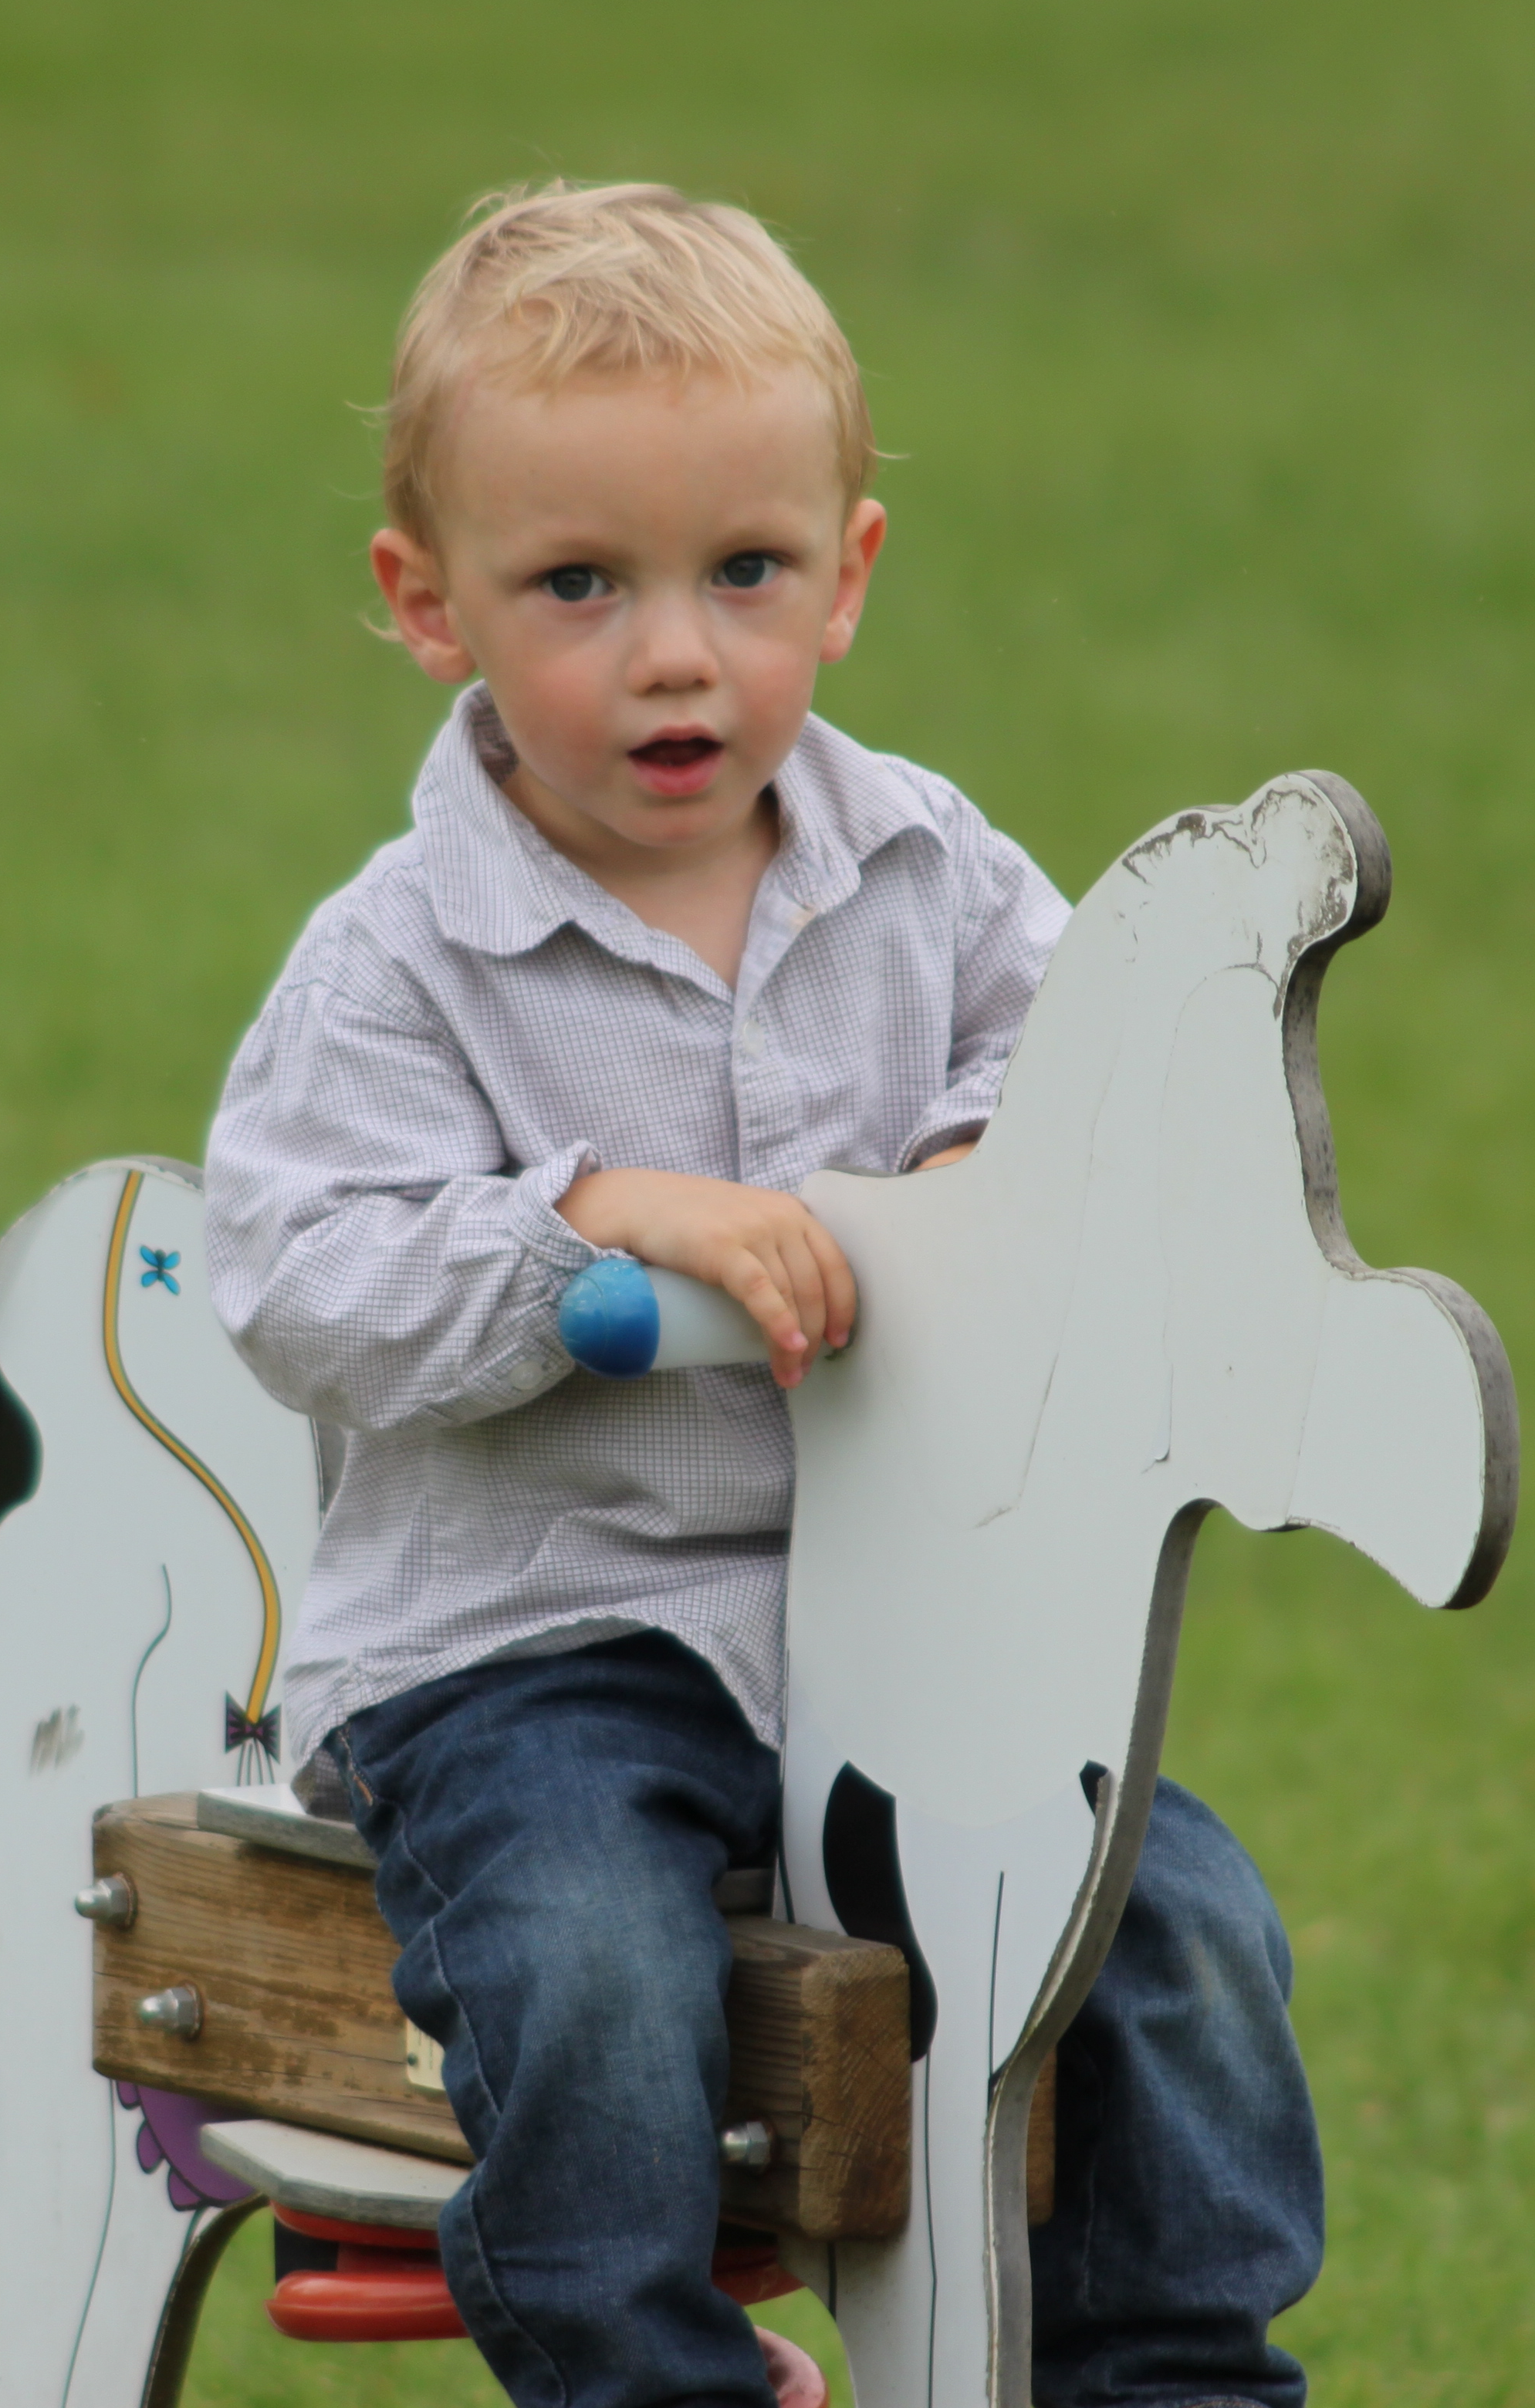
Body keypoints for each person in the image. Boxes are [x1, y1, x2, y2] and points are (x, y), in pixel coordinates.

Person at [203, 181, 1324, 2408]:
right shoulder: (400, 959)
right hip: (531, 1645)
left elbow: (1070, 1071)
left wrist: (984, 1177)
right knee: (588, 1962)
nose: (676, 656)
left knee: (1174, 1925)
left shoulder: (930, 870)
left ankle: (1167, 2374)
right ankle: (653, 2374)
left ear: (851, 572)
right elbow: (300, 1275)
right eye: (578, 587)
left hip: (894, 1638)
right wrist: (591, 1227)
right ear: (428, 605)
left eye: (745, 572)